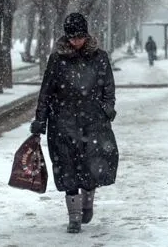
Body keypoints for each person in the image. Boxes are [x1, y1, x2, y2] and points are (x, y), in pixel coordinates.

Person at [30, 12, 119, 234]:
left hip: (93, 122)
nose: (75, 42)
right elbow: (46, 93)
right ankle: (74, 217)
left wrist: (106, 110)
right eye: (71, 37)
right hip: (62, 123)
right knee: (67, 169)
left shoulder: (100, 57)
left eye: (79, 37)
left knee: (91, 168)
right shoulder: (57, 60)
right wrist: (40, 122)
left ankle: (87, 202)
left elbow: (108, 88)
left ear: (86, 36)